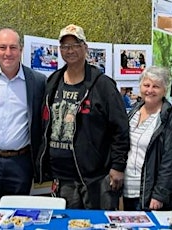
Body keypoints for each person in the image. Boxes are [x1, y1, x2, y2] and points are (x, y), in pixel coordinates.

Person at [36, 24, 130, 210]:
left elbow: (120, 128)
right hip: (62, 177)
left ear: (85, 47)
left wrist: (118, 166)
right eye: (64, 46)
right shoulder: (53, 81)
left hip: (95, 178)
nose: (69, 50)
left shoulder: (103, 85)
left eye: (75, 45)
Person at [0, 28, 46, 207]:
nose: (8, 53)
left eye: (13, 47)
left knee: (17, 218)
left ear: (21, 49)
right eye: (2, 47)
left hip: (21, 164)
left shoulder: (37, 81)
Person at [123, 66, 172, 211]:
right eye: (146, 85)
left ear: (164, 90)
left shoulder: (169, 118)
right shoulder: (133, 112)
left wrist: (160, 195)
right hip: (126, 189)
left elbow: (171, 160)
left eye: (156, 86)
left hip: (149, 195)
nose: (150, 90)